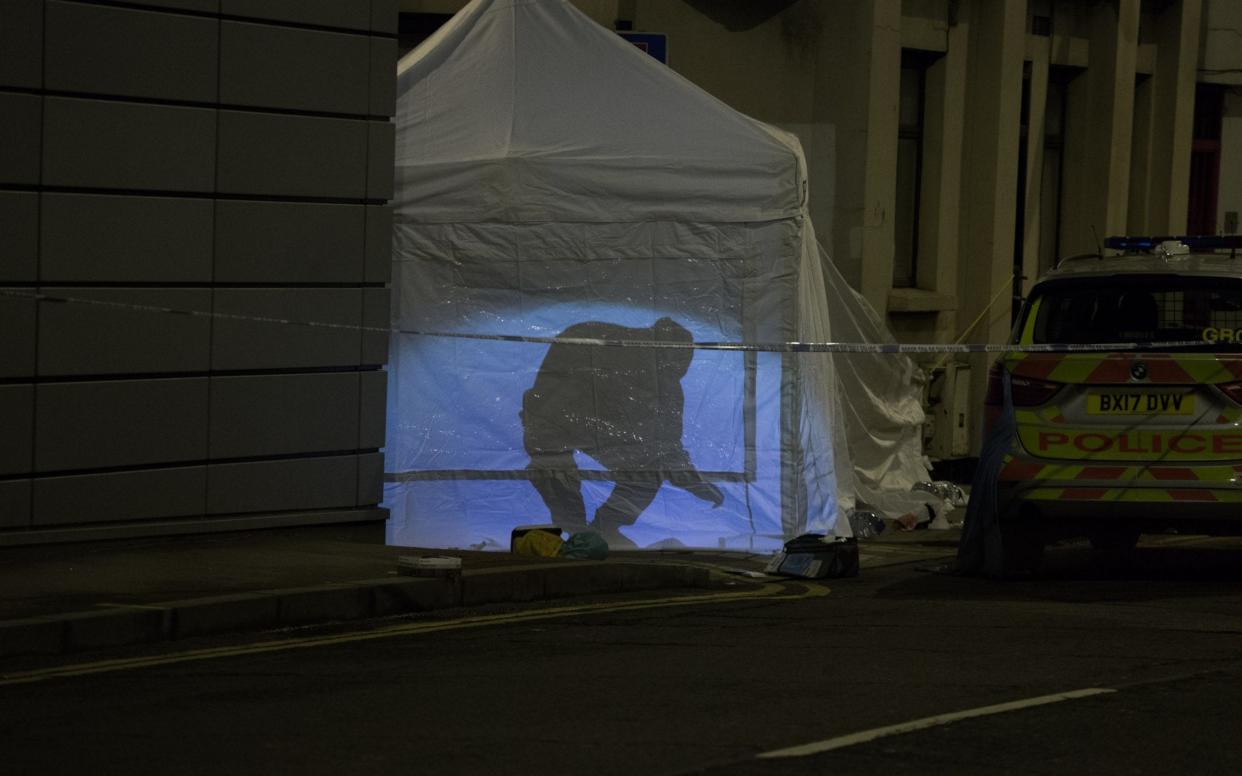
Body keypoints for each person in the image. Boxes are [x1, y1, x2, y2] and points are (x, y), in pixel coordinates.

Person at [521, 317, 724, 547]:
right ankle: (581, 534)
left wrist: (696, 484)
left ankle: (597, 532)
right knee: (554, 467)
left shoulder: (665, 385)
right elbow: (546, 411)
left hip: (579, 426)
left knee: (648, 470)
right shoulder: (600, 342)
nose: (677, 367)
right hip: (555, 417)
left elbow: (668, 448)